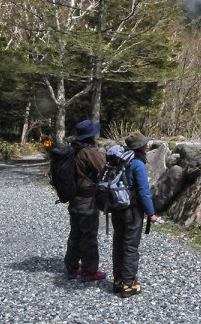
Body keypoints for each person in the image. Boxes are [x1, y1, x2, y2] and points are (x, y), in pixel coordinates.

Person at [111, 131, 157, 298]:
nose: (148, 145)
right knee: (130, 247)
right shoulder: (137, 164)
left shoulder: (119, 160)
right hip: (132, 211)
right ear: (140, 147)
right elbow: (144, 192)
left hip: (116, 209)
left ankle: (117, 281)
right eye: (145, 143)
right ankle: (129, 284)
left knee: (118, 244)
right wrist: (151, 213)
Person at [64, 119, 107, 282]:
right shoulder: (90, 152)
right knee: (89, 235)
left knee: (75, 233)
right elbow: (104, 170)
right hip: (87, 200)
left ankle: (72, 266)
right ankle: (89, 270)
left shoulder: (71, 150)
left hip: (73, 199)